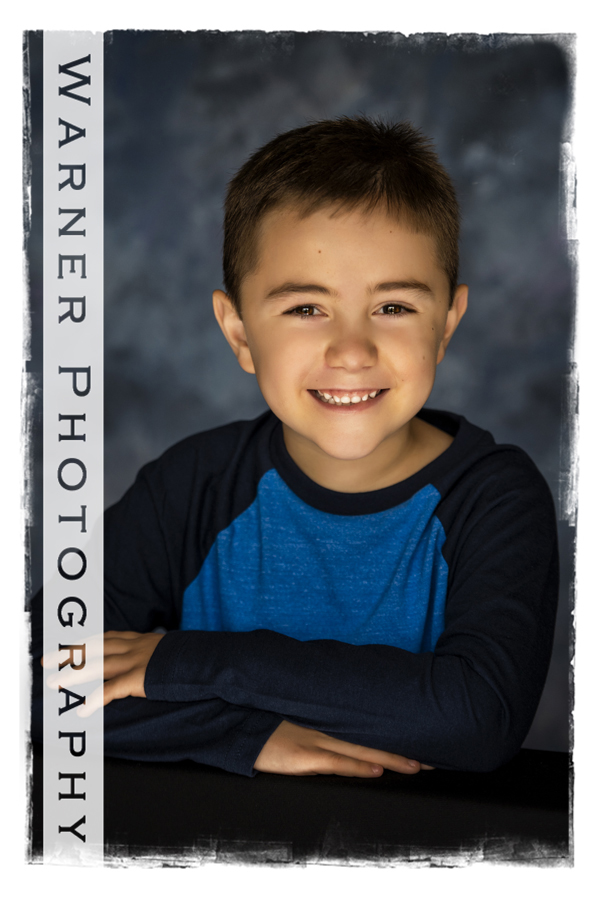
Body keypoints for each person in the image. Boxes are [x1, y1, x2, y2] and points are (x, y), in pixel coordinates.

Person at [34, 117, 559, 779]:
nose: (351, 351)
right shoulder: (194, 486)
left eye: (394, 307)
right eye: (306, 308)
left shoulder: (494, 498)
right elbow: (32, 671)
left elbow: (476, 718)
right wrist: (239, 732)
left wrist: (184, 663)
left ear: (446, 324)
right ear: (240, 333)